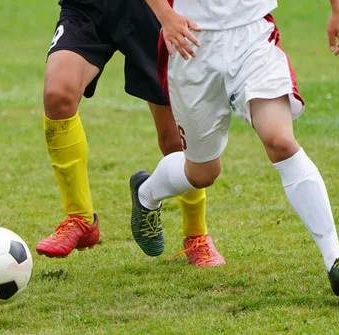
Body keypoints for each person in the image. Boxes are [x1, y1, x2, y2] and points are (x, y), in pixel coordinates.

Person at [130, 0, 339, 296]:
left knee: (281, 140)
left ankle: (335, 261)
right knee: (203, 172)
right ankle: (147, 193)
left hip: (253, 37)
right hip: (191, 41)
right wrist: (165, 15)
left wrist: (338, 10)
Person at [37, 0, 225, 266]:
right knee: (57, 97)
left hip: (151, 12)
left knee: (174, 139)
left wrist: (166, 16)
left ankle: (196, 234)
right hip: (88, 7)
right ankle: (80, 218)